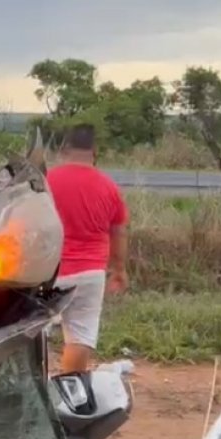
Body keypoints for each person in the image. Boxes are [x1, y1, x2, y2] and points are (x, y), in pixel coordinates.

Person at [46, 124, 129, 373]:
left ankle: (36, 390)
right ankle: (71, 393)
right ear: (95, 151)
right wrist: (119, 270)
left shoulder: (46, 181)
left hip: (50, 272)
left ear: (64, 149)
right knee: (80, 336)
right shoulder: (109, 187)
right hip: (91, 272)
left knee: (33, 333)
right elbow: (119, 231)